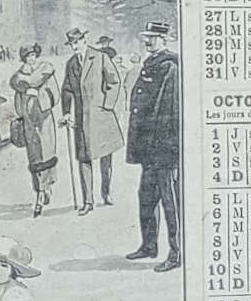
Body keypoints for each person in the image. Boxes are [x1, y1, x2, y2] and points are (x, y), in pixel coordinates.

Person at [124, 20, 182, 270]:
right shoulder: (151, 63)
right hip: (149, 149)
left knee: (171, 203)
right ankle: (149, 246)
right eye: (146, 37)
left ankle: (177, 253)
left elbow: (169, 111)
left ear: (165, 40)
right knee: (146, 197)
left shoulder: (169, 66)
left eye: (153, 38)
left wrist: (166, 149)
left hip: (163, 149)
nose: (148, 41)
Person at [60, 26, 126, 214]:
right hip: (81, 119)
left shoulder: (100, 57)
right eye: (71, 44)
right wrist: (66, 112)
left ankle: (106, 193)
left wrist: (107, 105)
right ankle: (88, 201)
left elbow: (114, 81)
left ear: (84, 41)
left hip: (102, 117)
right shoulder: (71, 64)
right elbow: (66, 89)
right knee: (84, 159)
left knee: (106, 157)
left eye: (77, 42)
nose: (74, 46)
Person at [8, 43, 60, 216]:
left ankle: (47, 186)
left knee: (47, 153)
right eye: (28, 56)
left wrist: (41, 95)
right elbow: (18, 102)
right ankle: (39, 191)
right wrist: (24, 107)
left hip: (45, 120)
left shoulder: (45, 71)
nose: (32, 59)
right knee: (34, 157)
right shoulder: (18, 77)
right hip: (30, 123)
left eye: (33, 55)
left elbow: (55, 94)